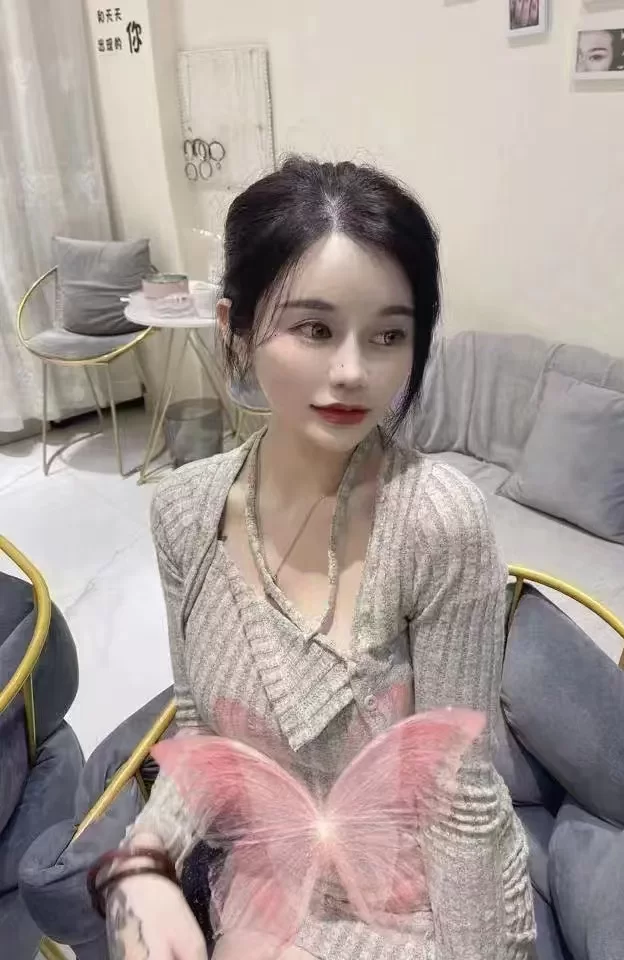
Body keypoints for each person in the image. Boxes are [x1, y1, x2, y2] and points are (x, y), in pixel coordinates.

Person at [99, 157, 535, 960]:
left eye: (389, 335)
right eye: (314, 329)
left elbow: (461, 803)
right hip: (270, 880)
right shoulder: (187, 514)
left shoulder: (437, 522)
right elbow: (204, 739)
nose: (353, 371)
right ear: (234, 330)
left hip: (421, 903)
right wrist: (144, 860)